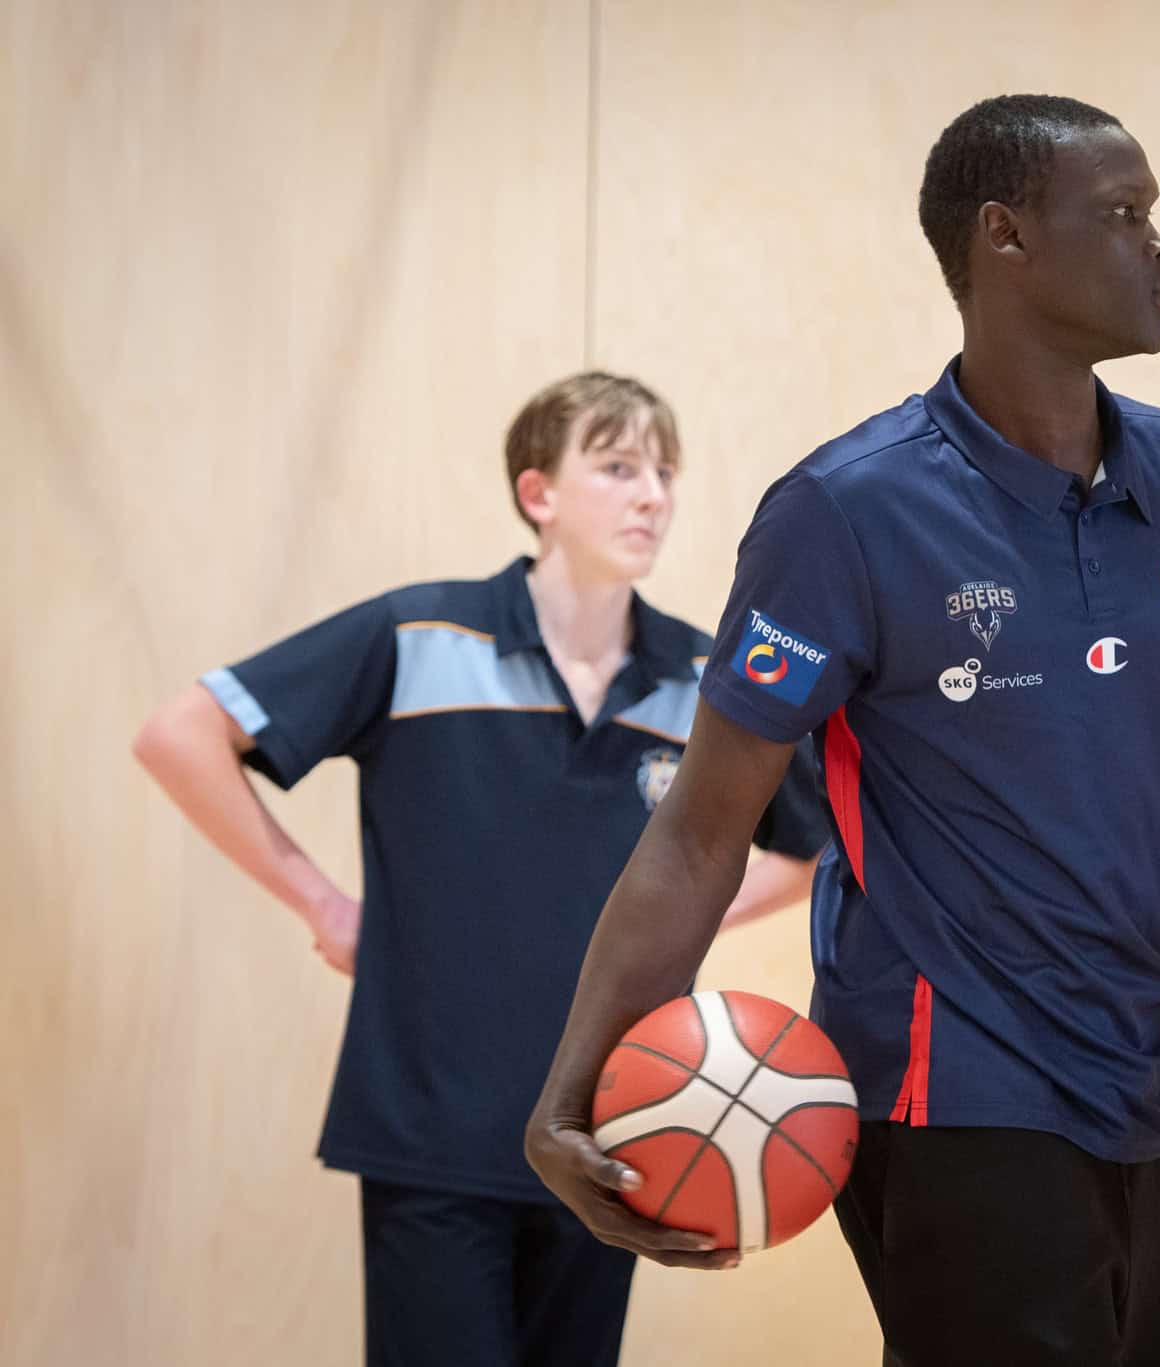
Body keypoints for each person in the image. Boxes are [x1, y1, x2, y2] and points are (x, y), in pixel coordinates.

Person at [524, 95, 1160, 1366]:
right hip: (950, 1094)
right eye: (1122, 214)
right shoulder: (845, 510)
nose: (1158, 244)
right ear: (1003, 237)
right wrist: (571, 1089)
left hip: (1148, 1089)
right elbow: (699, 832)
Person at [131, 372, 828, 1367]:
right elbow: (181, 734)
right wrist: (323, 905)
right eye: (618, 466)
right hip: (432, 1129)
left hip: (614, 1130)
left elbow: (813, 846)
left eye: (665, 472)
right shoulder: (417, 637)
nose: (651, 496)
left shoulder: (700, 677)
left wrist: (685, 921)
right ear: (538, 491)